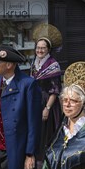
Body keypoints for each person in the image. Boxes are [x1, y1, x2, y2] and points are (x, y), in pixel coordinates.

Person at [30, 24, 63, 161]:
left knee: (46, 134)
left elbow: (55, 90)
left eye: (43, 48)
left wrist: (47, 108)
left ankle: (48, 162)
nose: (40, 50)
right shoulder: (34, 62)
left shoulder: (52, 64)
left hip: (47, 102)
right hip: (35, 101)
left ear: (48, 49)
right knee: (36, 132)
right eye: (38, 47)